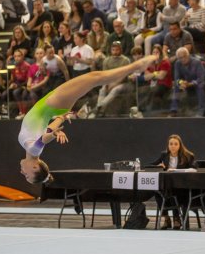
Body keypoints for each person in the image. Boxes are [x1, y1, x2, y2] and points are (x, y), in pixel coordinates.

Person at [19, 55, 157, 184]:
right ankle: (136, 66)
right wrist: (54, 135)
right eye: (26, 175)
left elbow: (47, 130)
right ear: (36, 167)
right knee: (94, 78)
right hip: (52, 104)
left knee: (94, 79)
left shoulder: (29, 146)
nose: (22, 172)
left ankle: (135, 67)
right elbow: (43, 139)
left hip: (55, 107)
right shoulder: (33, 150)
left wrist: (61, 118)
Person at [150, 134, 195, 229]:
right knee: (157, 191)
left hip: (183, 187)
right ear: (168, 145)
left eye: (175, 144)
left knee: (172, 191)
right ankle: (166, 218)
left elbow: (194, 169)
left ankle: (176, 218)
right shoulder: (164, 155)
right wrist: (158, 167)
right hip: (168, 186)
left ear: (180, 145)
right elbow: (151, 166)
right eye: (171, 144)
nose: (173, 146)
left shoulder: (188, 156)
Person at [88, 41, 131, 118]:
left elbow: (124, 76)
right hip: (109, 82)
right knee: (102, 90)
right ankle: (100, 111)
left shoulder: (126, 60)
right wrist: (108, 84)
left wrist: (114, 84)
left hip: (123, 83)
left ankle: (97, 108)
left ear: (120, 50)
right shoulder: (107, 60)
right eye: (113, 50)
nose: (115, 52)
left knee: (115, 90)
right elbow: (105, 75)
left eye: (117, 50)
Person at [171, 47, 205, 117]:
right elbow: (176, 78)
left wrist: (190, 83)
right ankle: (174, 110)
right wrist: (181, 83)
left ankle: (201, 111)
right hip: (185, 84)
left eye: (184, 56)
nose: (183, 59)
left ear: (188, 55)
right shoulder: (177, 63)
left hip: (196, 83)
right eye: (180, 58)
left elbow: (201, 78)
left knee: (200, 86)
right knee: (176, 87)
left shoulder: (197, 62)